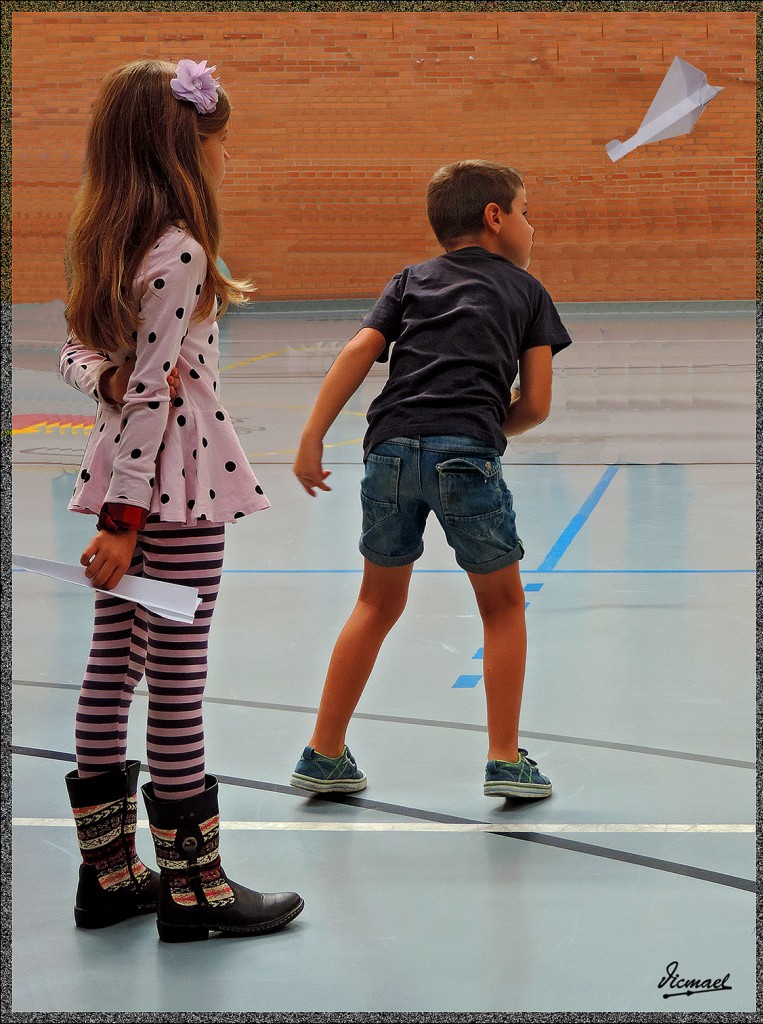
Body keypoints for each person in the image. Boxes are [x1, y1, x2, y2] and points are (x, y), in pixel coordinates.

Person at [60, 58, 303, 942]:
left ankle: (112, 877)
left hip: (131, 482)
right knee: (176, 686)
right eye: (213, 142)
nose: (222, 159)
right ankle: (196, 891)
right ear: (179, 146)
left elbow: (80, 359)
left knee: (111, 672)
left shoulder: (112, 240)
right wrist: (125, 523)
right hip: (175, 491)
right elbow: (154, 393)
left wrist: (112, 377)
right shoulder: (181, 250)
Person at [290, 159, 572, 801]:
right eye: (527, 212)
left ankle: (323, 752)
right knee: (502, 606)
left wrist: (313, 433)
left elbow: (360, 350)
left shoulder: (410, 281)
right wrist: (475, 426)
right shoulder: (529, 294)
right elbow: (535, 404)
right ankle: (505, 758)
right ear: (495, 219)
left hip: (387, 452)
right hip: (465, 454)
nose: (534, 228)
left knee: (376, 603)